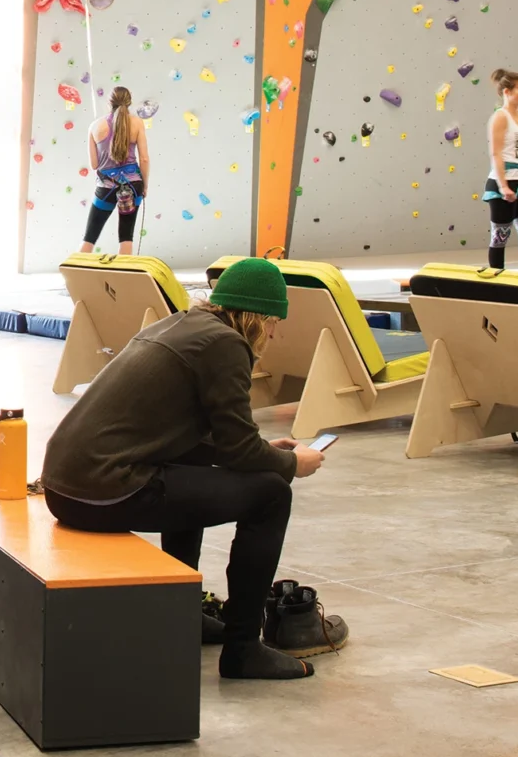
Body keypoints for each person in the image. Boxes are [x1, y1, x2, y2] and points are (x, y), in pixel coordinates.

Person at [41, 257, 348, 680]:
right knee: (272, 494)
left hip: (70, 485)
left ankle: (182, 611)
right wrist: (293, 463)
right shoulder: (227, 345)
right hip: (105, 490)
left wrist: (264, 449)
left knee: (191, 471)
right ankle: (244, 649)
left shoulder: (181, 326)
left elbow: (213, 442)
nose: (276, 333)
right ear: (258, 317)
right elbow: (240, 452)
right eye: (275, 322)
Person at [76, 85, 149, 256]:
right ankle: (123, 281)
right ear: (129, 102)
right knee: (126, 237)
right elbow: (144, 158)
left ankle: (74, 277)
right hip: (133, 185)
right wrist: (144, 186)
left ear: (109, 103)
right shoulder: (137, 123)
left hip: (106, 186)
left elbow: (94, 165)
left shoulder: (95, 126)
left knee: (90, 237)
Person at [483, 68, 518, 269]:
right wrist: (503, 186)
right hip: (503, 184)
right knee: (500, 236)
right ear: (507, 91)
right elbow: (496, 153)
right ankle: (497, 279)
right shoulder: (500, 117)